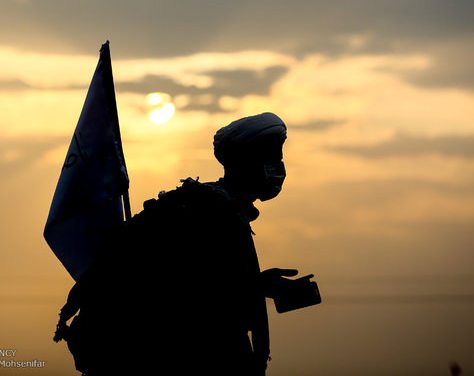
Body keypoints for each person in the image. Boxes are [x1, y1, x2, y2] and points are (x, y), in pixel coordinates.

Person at [55, 112, 298, 375]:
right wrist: (257, 286)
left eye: (279, 156)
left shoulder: (225, 211)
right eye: (270, 156)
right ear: (242, 161)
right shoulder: (204, 213)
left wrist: (257, 286)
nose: (278, 166)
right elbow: (187, 297)